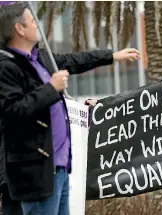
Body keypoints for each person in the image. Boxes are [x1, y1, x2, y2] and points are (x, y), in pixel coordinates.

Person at [0, 2, 140, 215]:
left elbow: (74, 61)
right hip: (36, 171)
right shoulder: (8, 67)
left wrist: (112, 56)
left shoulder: (43, 59)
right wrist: (51, 88)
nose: (38, 26)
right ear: (19, 28)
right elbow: (14, 111)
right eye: (33, 22)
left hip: (59, 167)